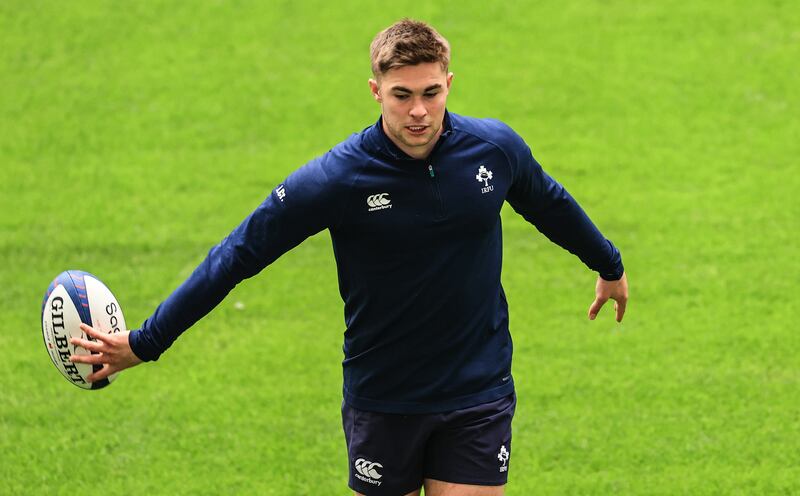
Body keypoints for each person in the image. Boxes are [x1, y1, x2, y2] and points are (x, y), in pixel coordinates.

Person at [69, 18, 628, 496]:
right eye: (401, 95)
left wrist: (609, 265)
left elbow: (549, 202)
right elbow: (238, 253)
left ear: (449, 84)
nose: (418, 112)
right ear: (375, 90)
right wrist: (147, 341)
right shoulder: (338, 178)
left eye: (431, 93)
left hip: (477, 392)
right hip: (384, 398)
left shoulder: (494, 149)